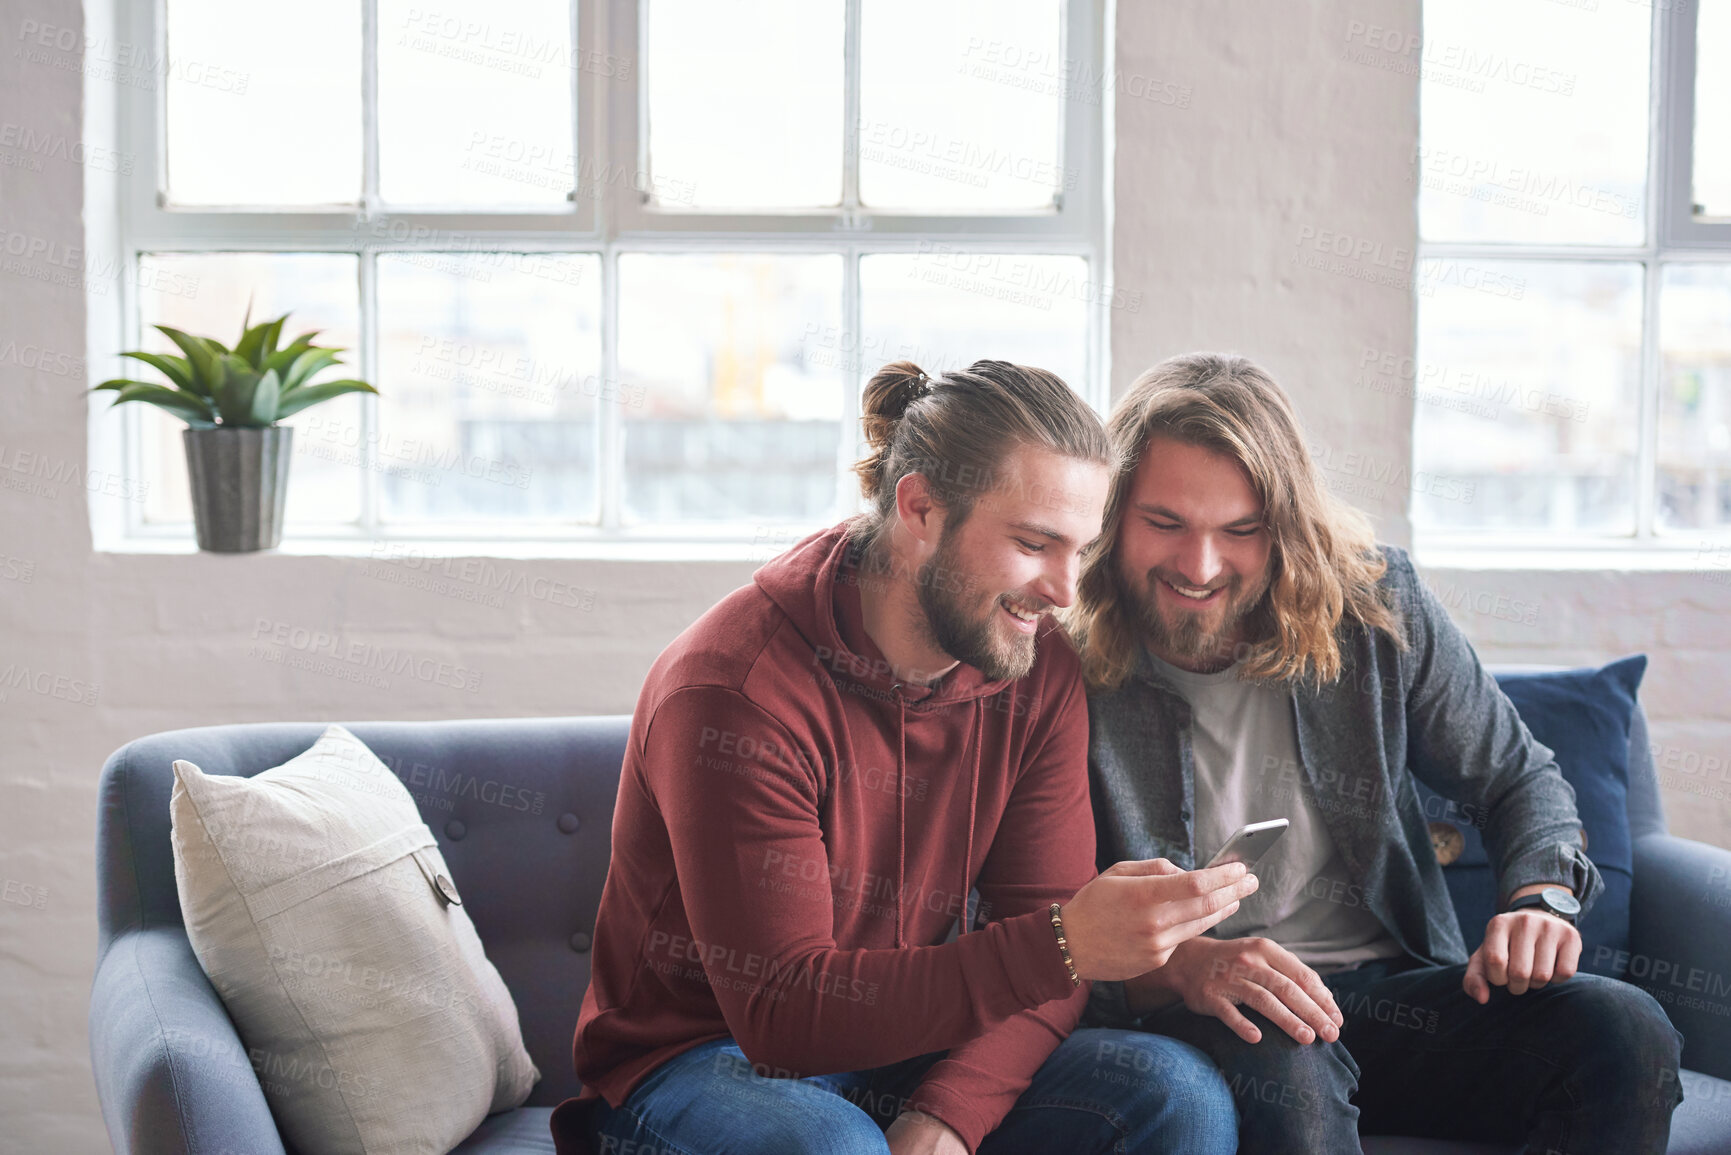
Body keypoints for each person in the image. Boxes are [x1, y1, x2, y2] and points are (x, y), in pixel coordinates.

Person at [550, 359, 1258, 1155]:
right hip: (707, 1064)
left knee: (1174, 1093)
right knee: (829, 1146)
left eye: (1080, 550)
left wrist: (949, 1115)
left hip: (912, 1042)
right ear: (919, 507)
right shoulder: (735, 690)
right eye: (1033, 542)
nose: (1063, 590)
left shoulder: (1033, 663)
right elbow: (785, 1017)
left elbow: (1046, 959)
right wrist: (1066, 940)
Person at [1066, 351, 1686, 1154]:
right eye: (1164, 523)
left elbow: (1516, 776)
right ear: (1111, 517)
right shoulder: (1063, 658)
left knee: (1624, 1029)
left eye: (1240, 530)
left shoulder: (1374, 608)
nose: (1199, 565)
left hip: (1391, 994)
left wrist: (1541, 896)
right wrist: (1182, 964)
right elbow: (1036, 919)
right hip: (1210, 1010)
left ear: (1283, 526)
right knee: (1277, 1044)